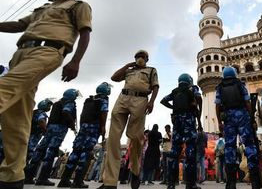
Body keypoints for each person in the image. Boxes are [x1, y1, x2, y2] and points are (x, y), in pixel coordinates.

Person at [0, 0, 91, 189]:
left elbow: (85, 32)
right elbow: (19, 25)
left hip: (48, 50)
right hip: (21, 53)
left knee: (4, 88)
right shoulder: (43, 8)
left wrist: (75, 61)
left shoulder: (79, 5)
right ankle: (12, 176)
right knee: (16, 117)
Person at [98, 50, 159, 189]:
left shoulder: (151, 70)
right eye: (138, 56)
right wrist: (127, 65)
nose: (140, 58)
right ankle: (110, 182)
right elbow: (114, 77)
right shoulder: (129, 70)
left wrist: (152, 102)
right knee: (113, 139)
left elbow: (155, 86)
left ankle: (135, 171)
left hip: (141, 100)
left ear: (147, 59)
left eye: (143, 57)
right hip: (123, 98)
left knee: (136, 138)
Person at [215, 66, 262, 189]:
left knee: (230, 147)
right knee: (249, 144)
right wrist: (251, 119)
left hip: (228, 118)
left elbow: (218, 105)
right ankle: (255, 180)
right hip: (242, 115)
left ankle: (230, 182)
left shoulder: (220, 87)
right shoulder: (240, 84)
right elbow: (247, 102)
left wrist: (219, 122)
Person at [58, 82, 111, 188]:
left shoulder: (89, 100)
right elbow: (104, 112)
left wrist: (82, 126)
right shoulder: (103, 99)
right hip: (93, 128)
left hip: (83, 128)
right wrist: (103, 127)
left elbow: (82, 115)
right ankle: (78, 181)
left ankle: (64, 180)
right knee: (86, 154)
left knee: (75, 153)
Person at [25, 88, 80, 186]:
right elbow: (66, 112)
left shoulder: (57, 104)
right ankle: (43, 178)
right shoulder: (70, 103)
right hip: (59, 128)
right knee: (51, 151)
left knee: (40, 151)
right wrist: (72, 123)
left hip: (50, 128)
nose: (76, 97)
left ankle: (28, 176)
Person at [160, 73, 202, 189]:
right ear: (189, 81)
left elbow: (163, 101)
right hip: (189, 122)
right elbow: (198, 97)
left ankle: (171, 184)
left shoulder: (175, 91)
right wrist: (198, 113)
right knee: (190, 152)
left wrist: (174, 108)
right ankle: (190, 184)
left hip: (177, 123)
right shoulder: (192, 88)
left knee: (174, 153)